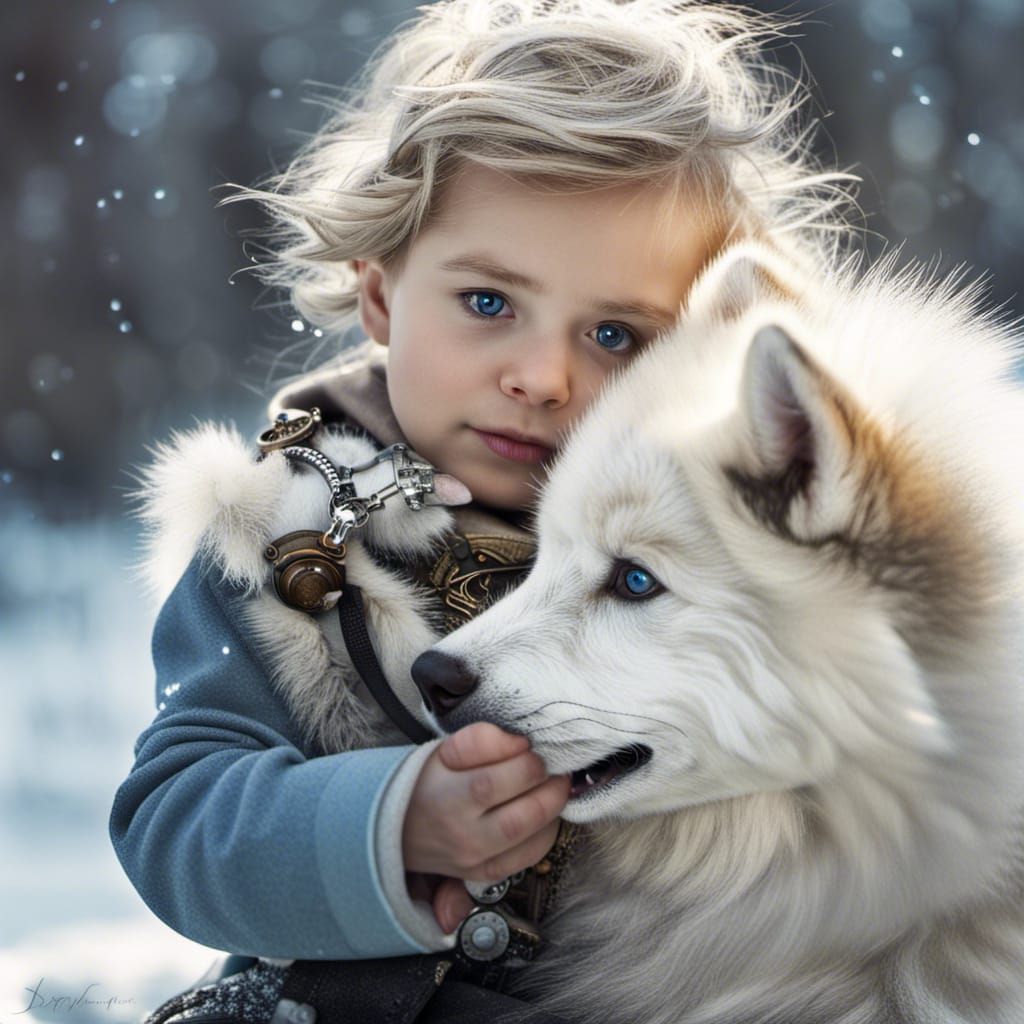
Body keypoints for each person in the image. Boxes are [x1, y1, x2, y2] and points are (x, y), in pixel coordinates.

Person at [108, 0, 855, 1020]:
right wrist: (388, 825)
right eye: (491, 303)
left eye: (616, 333)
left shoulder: (735, 545)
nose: (544, 376)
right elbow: (176, 817)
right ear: (379, 293)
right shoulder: (290, 537)